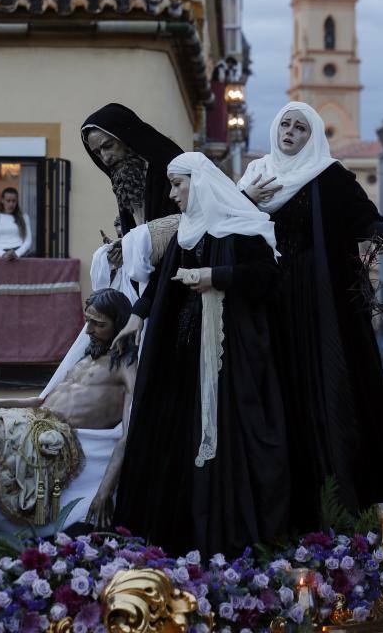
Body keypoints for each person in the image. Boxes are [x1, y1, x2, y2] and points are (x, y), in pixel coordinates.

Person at [238, 101, 383, 530]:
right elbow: (224, 227)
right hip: (269, 304)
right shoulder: (256, 176)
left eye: (300, 127)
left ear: (313, 136)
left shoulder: (329, 176)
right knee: (276, 390)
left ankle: (339, 503)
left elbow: (362, 217)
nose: (290, 132)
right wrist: (246, 200)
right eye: (286, 125)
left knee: (326, 386)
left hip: (320, 303)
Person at [113, 152, 289, 557]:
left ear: (201, 182)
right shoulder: (187, 231)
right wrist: (136, 318)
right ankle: (177, 537)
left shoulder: (239, 227)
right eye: (172, 185)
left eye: (178, 184)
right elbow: (161, 283)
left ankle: (226, 537)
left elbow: (268, 277)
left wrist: (218, 277)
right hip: (181, 354)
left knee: (225, 438)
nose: (172, 194)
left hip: (230, 356)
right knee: (177, 438)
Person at [0, 289, 137, 529]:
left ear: (121, 325)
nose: (88, 331)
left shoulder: (126, 366)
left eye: (99, 324)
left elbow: (129, 435)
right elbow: (43, 400)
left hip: (43, 435)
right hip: (26, 421)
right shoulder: (84, 359)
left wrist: (104, 492)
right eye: (87, 321)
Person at [81, 103, 183, 237]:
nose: (105, 158)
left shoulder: (169, 169)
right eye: (97, 153)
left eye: (108, 146)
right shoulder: (124, 179)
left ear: (126, 137)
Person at [0, 187, 32, 259]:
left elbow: (28, 241)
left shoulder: (24, 217)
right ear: (2, 200)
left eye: (14, 201)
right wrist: (3, 254)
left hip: (19, 257)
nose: (11, 204)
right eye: (8, 201)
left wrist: (16, 254)